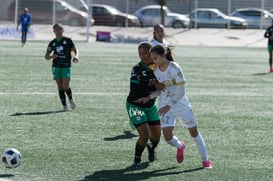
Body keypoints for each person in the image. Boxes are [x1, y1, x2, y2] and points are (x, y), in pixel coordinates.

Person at [136, 44, 212, 169]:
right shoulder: (155, 69)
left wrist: (168, 106)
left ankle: (206, 161)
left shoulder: (175, 68)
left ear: (163, 55)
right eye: (152, 58)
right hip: (165, 106)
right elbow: (161, 89)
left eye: (155, 58)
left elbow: (181, 91)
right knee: (167, 137)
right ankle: (180, 146)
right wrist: (149, 97)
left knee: (194, 133)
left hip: (181, 105)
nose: (153, 61)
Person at [126, 42, 164, 167]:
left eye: (145, 53)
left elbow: (163, 87)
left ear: (151, 53)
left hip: (150, 106)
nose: (143, 56)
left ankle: (151, 149)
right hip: (134, 105)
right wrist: (153, 84)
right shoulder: (136, 68)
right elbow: (135, 89)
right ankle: (137, 158)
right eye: (140, 54)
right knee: (145, 135)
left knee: (157, 136)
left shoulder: (158, 68)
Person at [44, 24, 78, 111]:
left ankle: (70, 99)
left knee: (65, 85)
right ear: (54, 31)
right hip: (56, 66)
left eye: (60, 29)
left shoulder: (68, 41)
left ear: (63, 30)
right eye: (57, 29)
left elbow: (75, 50)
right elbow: (46, 56)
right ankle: (64, 105)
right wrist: (52, 56)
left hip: (66, 66)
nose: (59, 31)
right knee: (60, 86)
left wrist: (76, 56)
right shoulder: (52, 43)